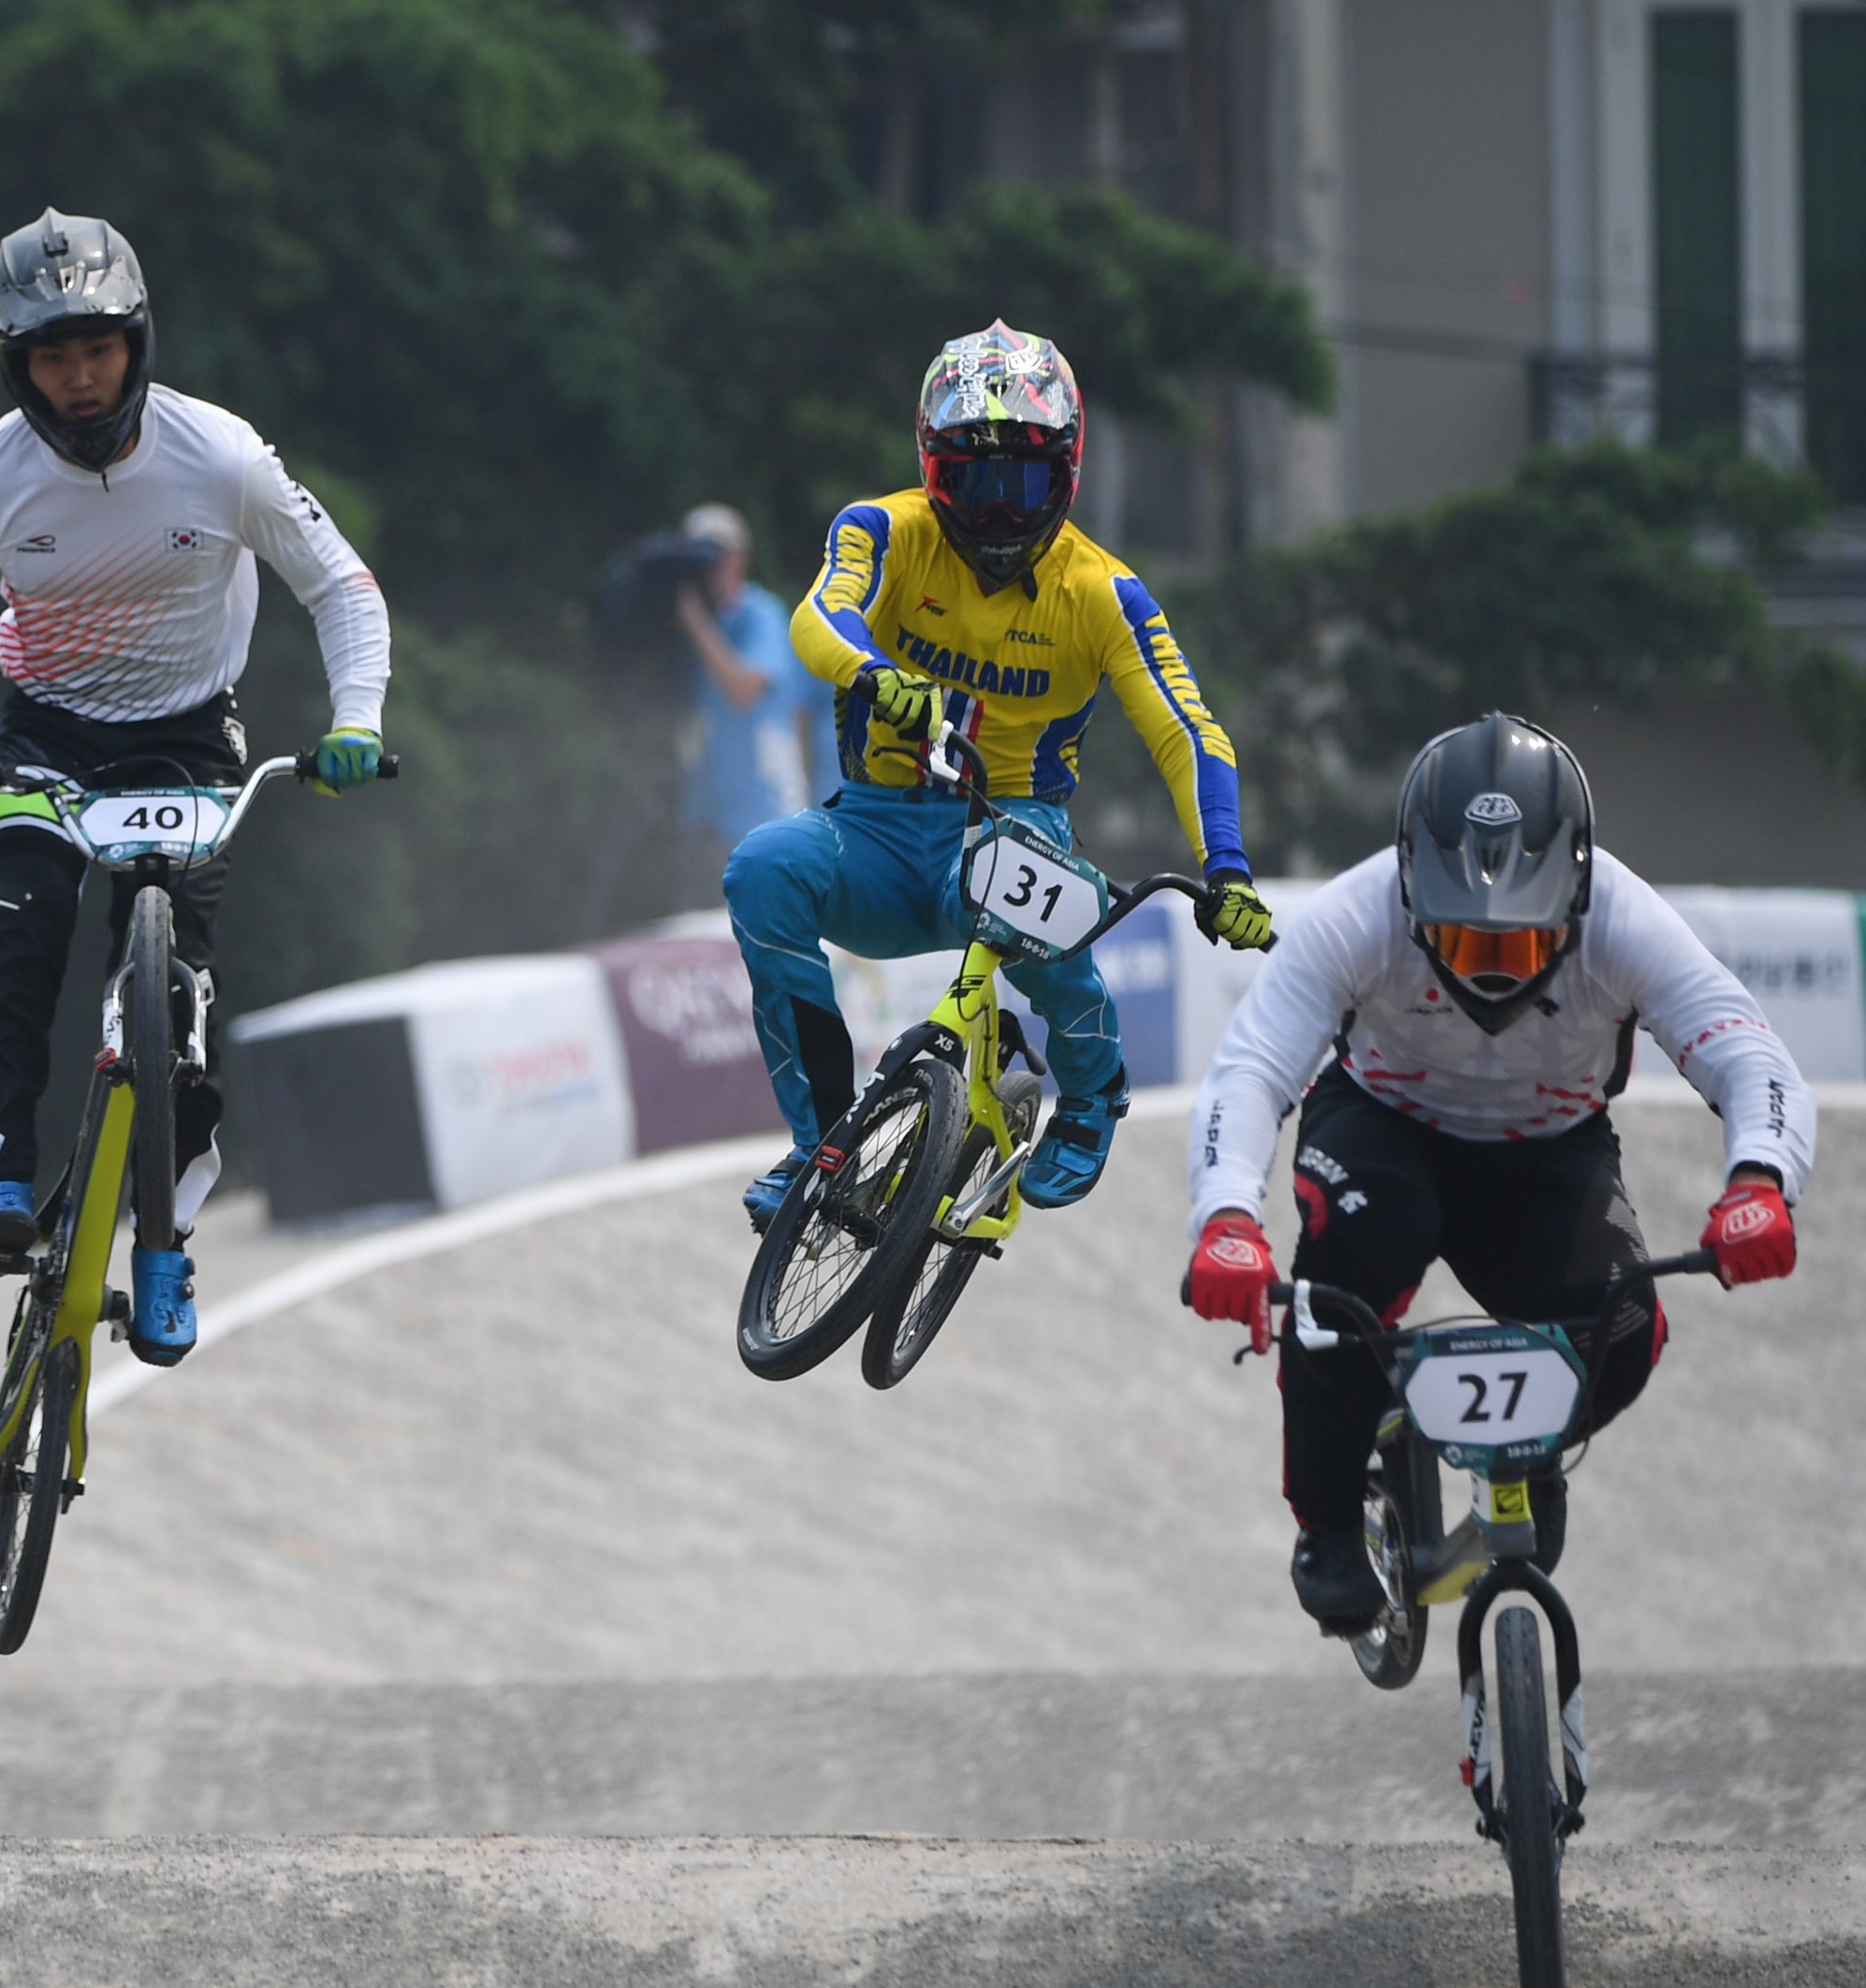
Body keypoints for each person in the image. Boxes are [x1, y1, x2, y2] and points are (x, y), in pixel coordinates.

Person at [1181, 713, 1811, 1631]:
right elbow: (1252, 1069)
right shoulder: (1360, 912)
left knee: (1625, 1332)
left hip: (1547, 1152)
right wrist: (1228, 1219)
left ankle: (1515, 1449)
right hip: (1381, 1130)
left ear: (1576, 890)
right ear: (1409, 885)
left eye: (1516, 945)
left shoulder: (1625, 918)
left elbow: (1747, 1054)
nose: (1487, 972)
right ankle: (1326, 1520)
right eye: (1462, 941)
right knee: (1347, 1273)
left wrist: (1759, 1180)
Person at [0, 209, 391, 1367]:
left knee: (175, 995)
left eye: (99, 351)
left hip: (188, 743)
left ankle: (165, 1248)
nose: (80, 380)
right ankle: (5, 1182)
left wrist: (356, 720)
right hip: (39, 744)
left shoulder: (220, 453)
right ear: (15, 365)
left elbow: (341, 586)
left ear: (139, 343)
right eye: (51, 357)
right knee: (13, 942)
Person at [723, 320, 1275, 1232]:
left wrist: (1228, 865)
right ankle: (821, 1146)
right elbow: (819, 618)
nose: (999, 513)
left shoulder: (1106, 594)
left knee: (1012, 866)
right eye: (971, 483)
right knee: (761, 868)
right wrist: (877, 675)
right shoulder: (880, 529)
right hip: (872, 833)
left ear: (1067, 475)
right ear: (931, 469)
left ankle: (1092, 1091)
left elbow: (1189, 733)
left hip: (1012, 821)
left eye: (1023, 483)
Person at [670, 501, 836, 888]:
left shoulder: (761, 614)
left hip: (762, 812)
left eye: (718, 554)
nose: (710, 565)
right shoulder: (693, 622)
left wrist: (695, 624)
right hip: (705, 812)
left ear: (741, 558)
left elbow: (745, 691)